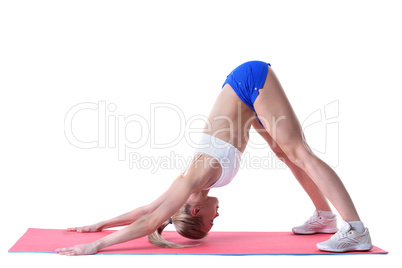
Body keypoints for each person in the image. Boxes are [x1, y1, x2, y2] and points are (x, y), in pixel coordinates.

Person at [56, 61, 372, 255]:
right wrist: (99, 224)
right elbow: (147, 211)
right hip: (248, 109)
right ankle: (325, 218)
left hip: (247, 83)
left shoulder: (193, 179)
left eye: (210, 220)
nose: (217, 216)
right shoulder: (186, 190)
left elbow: (150, 221)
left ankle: (356, 232)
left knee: (299, 153)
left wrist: (95, 246)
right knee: (284, 154)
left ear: (195, 210)